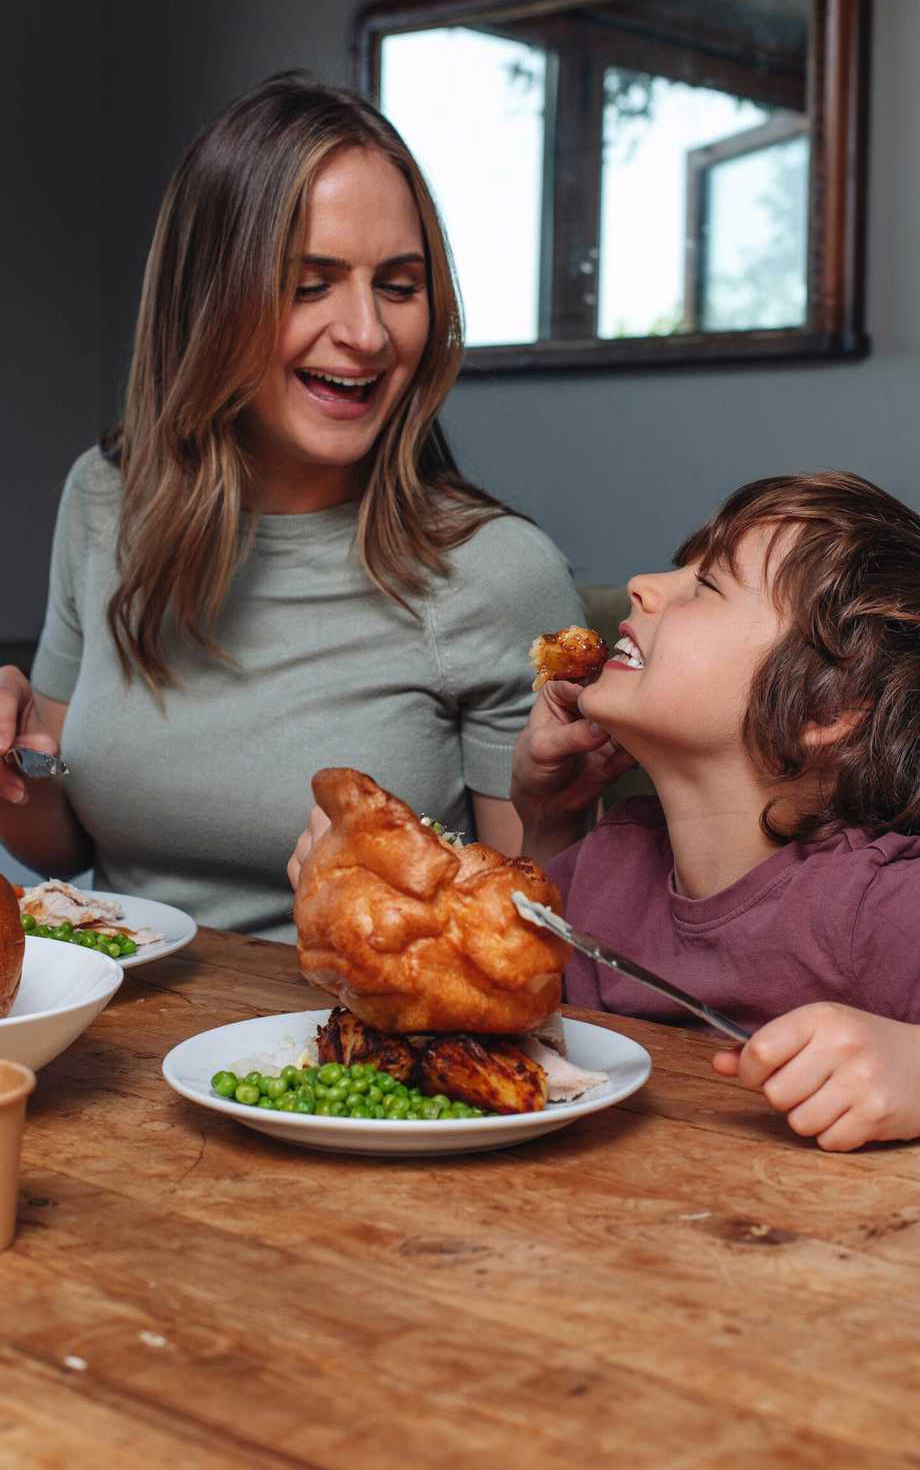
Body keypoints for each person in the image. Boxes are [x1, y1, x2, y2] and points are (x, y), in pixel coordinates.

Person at [0, 73, 584, 937]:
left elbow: (539, 943)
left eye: (398, 284)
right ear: (207, 300)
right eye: (310, 283)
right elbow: (61, 843)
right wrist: (10, 771)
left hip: (346, 1054)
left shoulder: (497, 573)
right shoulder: (106, 496)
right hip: (114, 1039)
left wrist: (391, 914)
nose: (368, 334)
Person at [511, 471, 920, 1152]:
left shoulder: (876, 901)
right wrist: (547, 814)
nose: (643, 583)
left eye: (706, 584)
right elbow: (505, 1012)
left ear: (823, 709)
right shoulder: (607, 863)